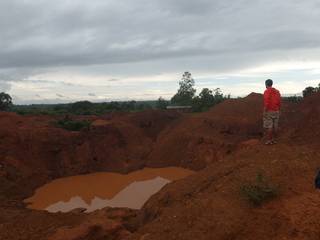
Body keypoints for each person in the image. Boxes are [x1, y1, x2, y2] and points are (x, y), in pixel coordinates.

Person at [263, 79, 281, 145]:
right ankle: (274, 140)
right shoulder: (277, 91)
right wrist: (279, 109)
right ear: (271, 84)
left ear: (266, 84)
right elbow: (279, 102)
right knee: (275, 126)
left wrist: (264, 111)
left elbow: (266, 102)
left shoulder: (266, 91)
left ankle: (269, 140)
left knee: (270, 126)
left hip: (269, 111)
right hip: (276, 110)